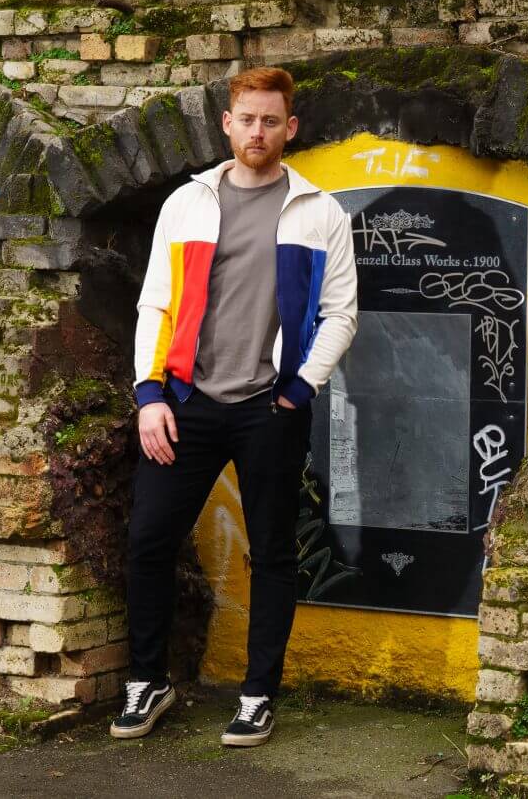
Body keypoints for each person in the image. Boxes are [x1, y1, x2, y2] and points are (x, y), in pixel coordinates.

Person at [111, 66, 358, 747]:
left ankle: (257, 695)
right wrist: (149, 394)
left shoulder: (319, 212)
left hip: (269, 409)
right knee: (149, 539)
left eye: (270, 120)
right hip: (185, 400)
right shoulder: (187, 204)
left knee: (274, 552)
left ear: (290, 127)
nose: (257, 131)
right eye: (246, 119)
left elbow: (341, 315)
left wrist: (297, 389)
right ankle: (147, 679)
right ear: (227, 123)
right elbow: (155, 301)